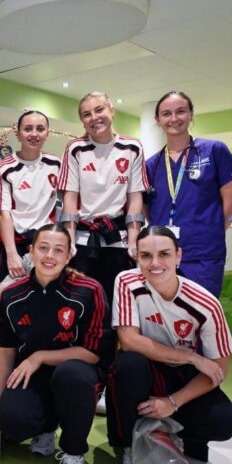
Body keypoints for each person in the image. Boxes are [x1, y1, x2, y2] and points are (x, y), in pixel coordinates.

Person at [110, 226, 232, 464]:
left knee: (223, 420)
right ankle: (131, 450)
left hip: (180, 376)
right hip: (146, 368)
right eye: (145, 256)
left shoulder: (206, 303)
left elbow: (219, 371)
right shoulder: (126, 281)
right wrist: (192, 356)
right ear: (136, 257)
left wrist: (172, 402)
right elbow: (130, 340)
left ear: (178, 256)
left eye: (164, 254)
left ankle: (173, 433)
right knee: (127, 364)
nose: (155, 263)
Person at [0, 224, 112, 464]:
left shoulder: (89, 290)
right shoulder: (11, 296)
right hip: (33, 374)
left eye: (58, 250)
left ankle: (74, 453)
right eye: (43, 248)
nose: (49, 256)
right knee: (12, 420)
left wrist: (40, 356)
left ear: (68, 256)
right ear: (31, 251)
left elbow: (93, 352)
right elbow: (6, 351)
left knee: (71, 375)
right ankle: (45, 428)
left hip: (78, 372)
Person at [145, 91, 232, 296]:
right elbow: (147, 208)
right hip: (161, 253)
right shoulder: (151, 165)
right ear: (158, 120)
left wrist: (212, 228)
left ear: (191, 114)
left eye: (181, 111)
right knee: (163, 316)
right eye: (166, 113)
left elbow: (231, 198)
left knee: (201, 314)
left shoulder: (214, 150)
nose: (174, 118)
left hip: (202, 252)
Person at [59, 91, 147, 305]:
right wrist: (69, 239)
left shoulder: (132, 147)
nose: (94, 118)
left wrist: (134, 241)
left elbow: (135, 197)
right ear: (82, 121)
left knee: (114, 303)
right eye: (86, 114)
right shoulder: (75, 148)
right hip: (82, 239)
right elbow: (70, 197)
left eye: (99, 110)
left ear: (111, 111)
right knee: (80, 301)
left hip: (116, 238)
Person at [0, 110, 62, 282]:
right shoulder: (5, 168)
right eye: (28, 129)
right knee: (3, 297)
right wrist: (12, 254)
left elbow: (66, 203)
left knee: (43, 296)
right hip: (12, 240)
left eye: (40, 129)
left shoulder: (56, 164)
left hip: (45, 242)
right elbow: (4, 214)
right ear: (18, 133)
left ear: (47, 134)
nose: (34, 134)